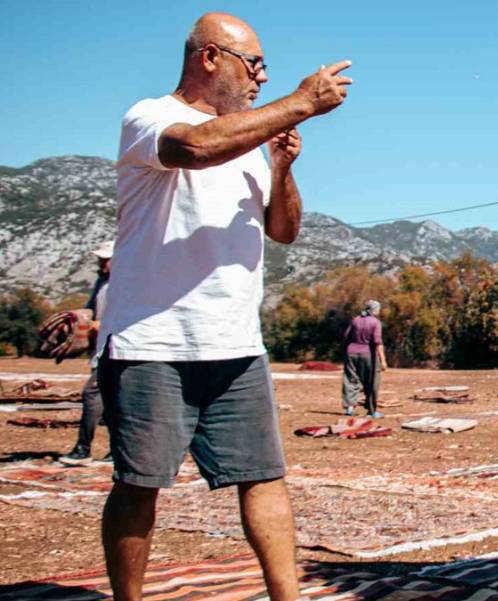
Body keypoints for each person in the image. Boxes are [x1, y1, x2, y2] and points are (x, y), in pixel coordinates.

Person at [96, 12, 351, 601]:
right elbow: (195, 147)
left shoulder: (250, 146)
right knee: (139, 485)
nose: (261, 78)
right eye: (253, 64)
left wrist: (282, 169)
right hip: (152, 340)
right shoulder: (153, 117)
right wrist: (301, 102)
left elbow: (282, 230)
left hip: (235, 345)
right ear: (210, 58)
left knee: (264, 477)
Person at [59, 241, 114, 466]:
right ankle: (115, 451)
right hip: (100, 349)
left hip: (115, 349)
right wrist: (77, 318)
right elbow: (91, 307)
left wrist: (100, 324)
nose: (101, 263)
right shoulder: (101, 282)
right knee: (110, 401)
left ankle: (83, 449)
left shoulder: (126, 283)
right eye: (100, 259)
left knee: (92, 395)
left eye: (105, 259)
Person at [342, 300, 388, 417]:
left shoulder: (355, 320)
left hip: (351, 353)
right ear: (374, 310)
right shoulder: (375, 322)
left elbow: (346, 336)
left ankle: (349, 409)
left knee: (350, 380)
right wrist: (383, 361)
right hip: (368, 355)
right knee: (372, 381)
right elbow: (378, 342)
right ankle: (371, 411)